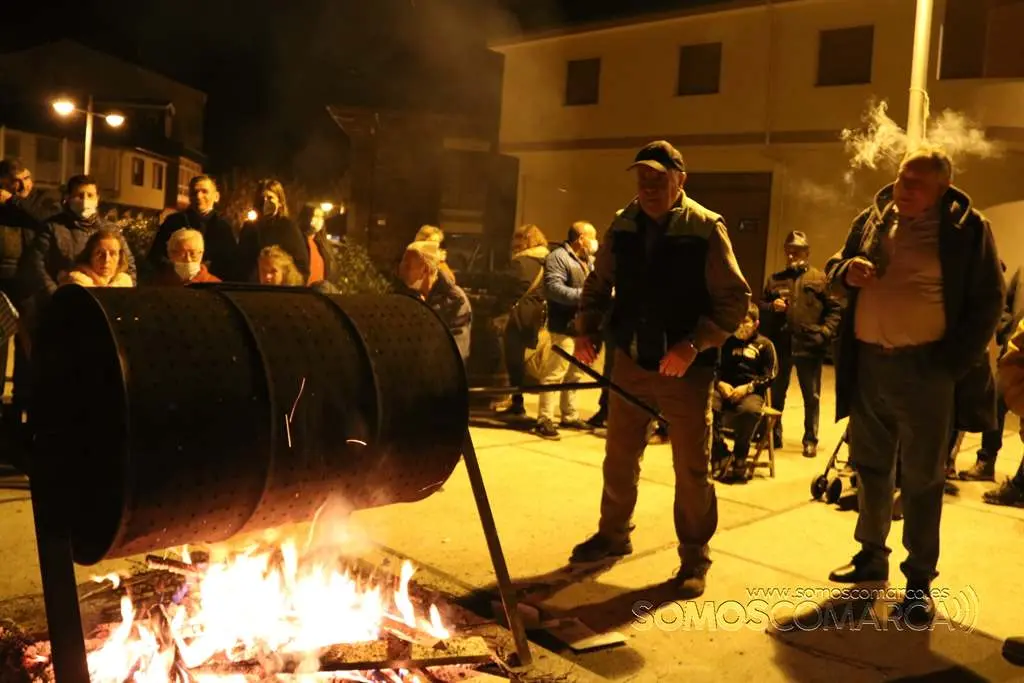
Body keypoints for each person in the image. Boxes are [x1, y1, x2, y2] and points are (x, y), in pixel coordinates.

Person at [823, 146, 1003, 627]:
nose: (903, 189)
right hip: (869, 364)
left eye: (916, 184)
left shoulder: (967, 229)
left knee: (922, 479)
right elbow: (834, 268)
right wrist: (846, 271)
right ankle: (871, 556)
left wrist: (950, 364)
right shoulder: (873, 219)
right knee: (870, 466)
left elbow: (989, 301)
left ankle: (919, 583)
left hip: (926, 370)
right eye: (902, 179)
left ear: (943, 189)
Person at [569, 140, 751, 598]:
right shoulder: (623, 223)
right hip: (631, 361)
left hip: (685, 370)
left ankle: (694, 557)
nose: (648, 186)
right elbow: (598, 283)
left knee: (691, 467)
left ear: (680, 180)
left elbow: (735, 300)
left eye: (659, 178)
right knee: (619, 457)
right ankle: (613, 535)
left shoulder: (705, 227)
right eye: (642, 177)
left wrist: (693, 345)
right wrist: (587, 329)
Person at [760, 230, 841, 457]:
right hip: (782, 345)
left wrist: (825, 332)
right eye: (788, 251)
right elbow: (761, 306)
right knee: (777, 393)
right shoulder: (775, 279)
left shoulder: (820, 279)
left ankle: (810, 439)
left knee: (811, 396)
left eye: (796, 252)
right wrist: (771, 307)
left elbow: (835, 310)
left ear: (807, 252)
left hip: (809, 345)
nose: (791, 256)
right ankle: (774, 435)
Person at [533, 221, 598, 440]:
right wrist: (585, 296)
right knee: (555, 373)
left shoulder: (587, 260)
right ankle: (544, 419)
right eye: (592, 236)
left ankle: (569, 415)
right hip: (564, 325)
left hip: (583, 326)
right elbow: (553, 289)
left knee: (575, 373)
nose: (595, 242)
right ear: (581, 238)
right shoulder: (558, 257)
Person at [713, 303, 778, 482]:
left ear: (756, 324)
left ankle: (740, 454)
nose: (741, 325)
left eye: (746, 321)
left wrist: (749, 387)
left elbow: (771, 375)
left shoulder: (765, 345)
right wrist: (720, 383)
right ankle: (720, 453)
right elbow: (713, 367)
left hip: (750, 391)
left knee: (750, 411)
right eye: (738, 321)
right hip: (724, 389)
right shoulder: (725, 341)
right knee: (707, 406)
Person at [496, 224, 550, 418]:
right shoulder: (548, 261)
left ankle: (517, 402)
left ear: (525, 240)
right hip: (538, 315)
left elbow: (508, 289)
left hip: (518, 316)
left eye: (517, 238)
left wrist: (498, 308)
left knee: (514, 359)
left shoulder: (520, 263)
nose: (514, 243)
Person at [147, 175, 241, 281]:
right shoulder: (173, 222)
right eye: (194, 192)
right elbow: (156, 256)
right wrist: (174, 268)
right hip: (176, 283)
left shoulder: (224, 227)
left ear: (216, 196)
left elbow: (232, 262)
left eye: (204, 191)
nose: (199, 196)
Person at [399, 240, 472, 363]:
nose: (401, 270)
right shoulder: (408, 295)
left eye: (408, 266)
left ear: (425, 270)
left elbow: (457, 351)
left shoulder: (455, 301)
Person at [238, 179, 309, 282]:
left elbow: (302, 265)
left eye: (270, 197)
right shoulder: (249, 228)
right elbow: (241, 263)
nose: (265, 202)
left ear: (280, 202)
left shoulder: (288, 228)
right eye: (261, 198)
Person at [59, 229, 133, 288]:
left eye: (112, 254)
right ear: (90, 256)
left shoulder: (123, 280)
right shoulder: (76, 279)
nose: (106, 260)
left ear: (120, 257)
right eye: (100, 253)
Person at [153, 228, 222, 285]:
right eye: (182, 254)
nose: (188, 259)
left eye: (193, 254)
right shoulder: (159, 283)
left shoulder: (215, 284)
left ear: (201, 254)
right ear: (170, 254)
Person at [298, 204, 336, 287]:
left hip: (321, 291)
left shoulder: (322, 244)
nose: (319, 220)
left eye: (321, 217)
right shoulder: (298, 241)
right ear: (307, 217)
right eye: (316, 216)